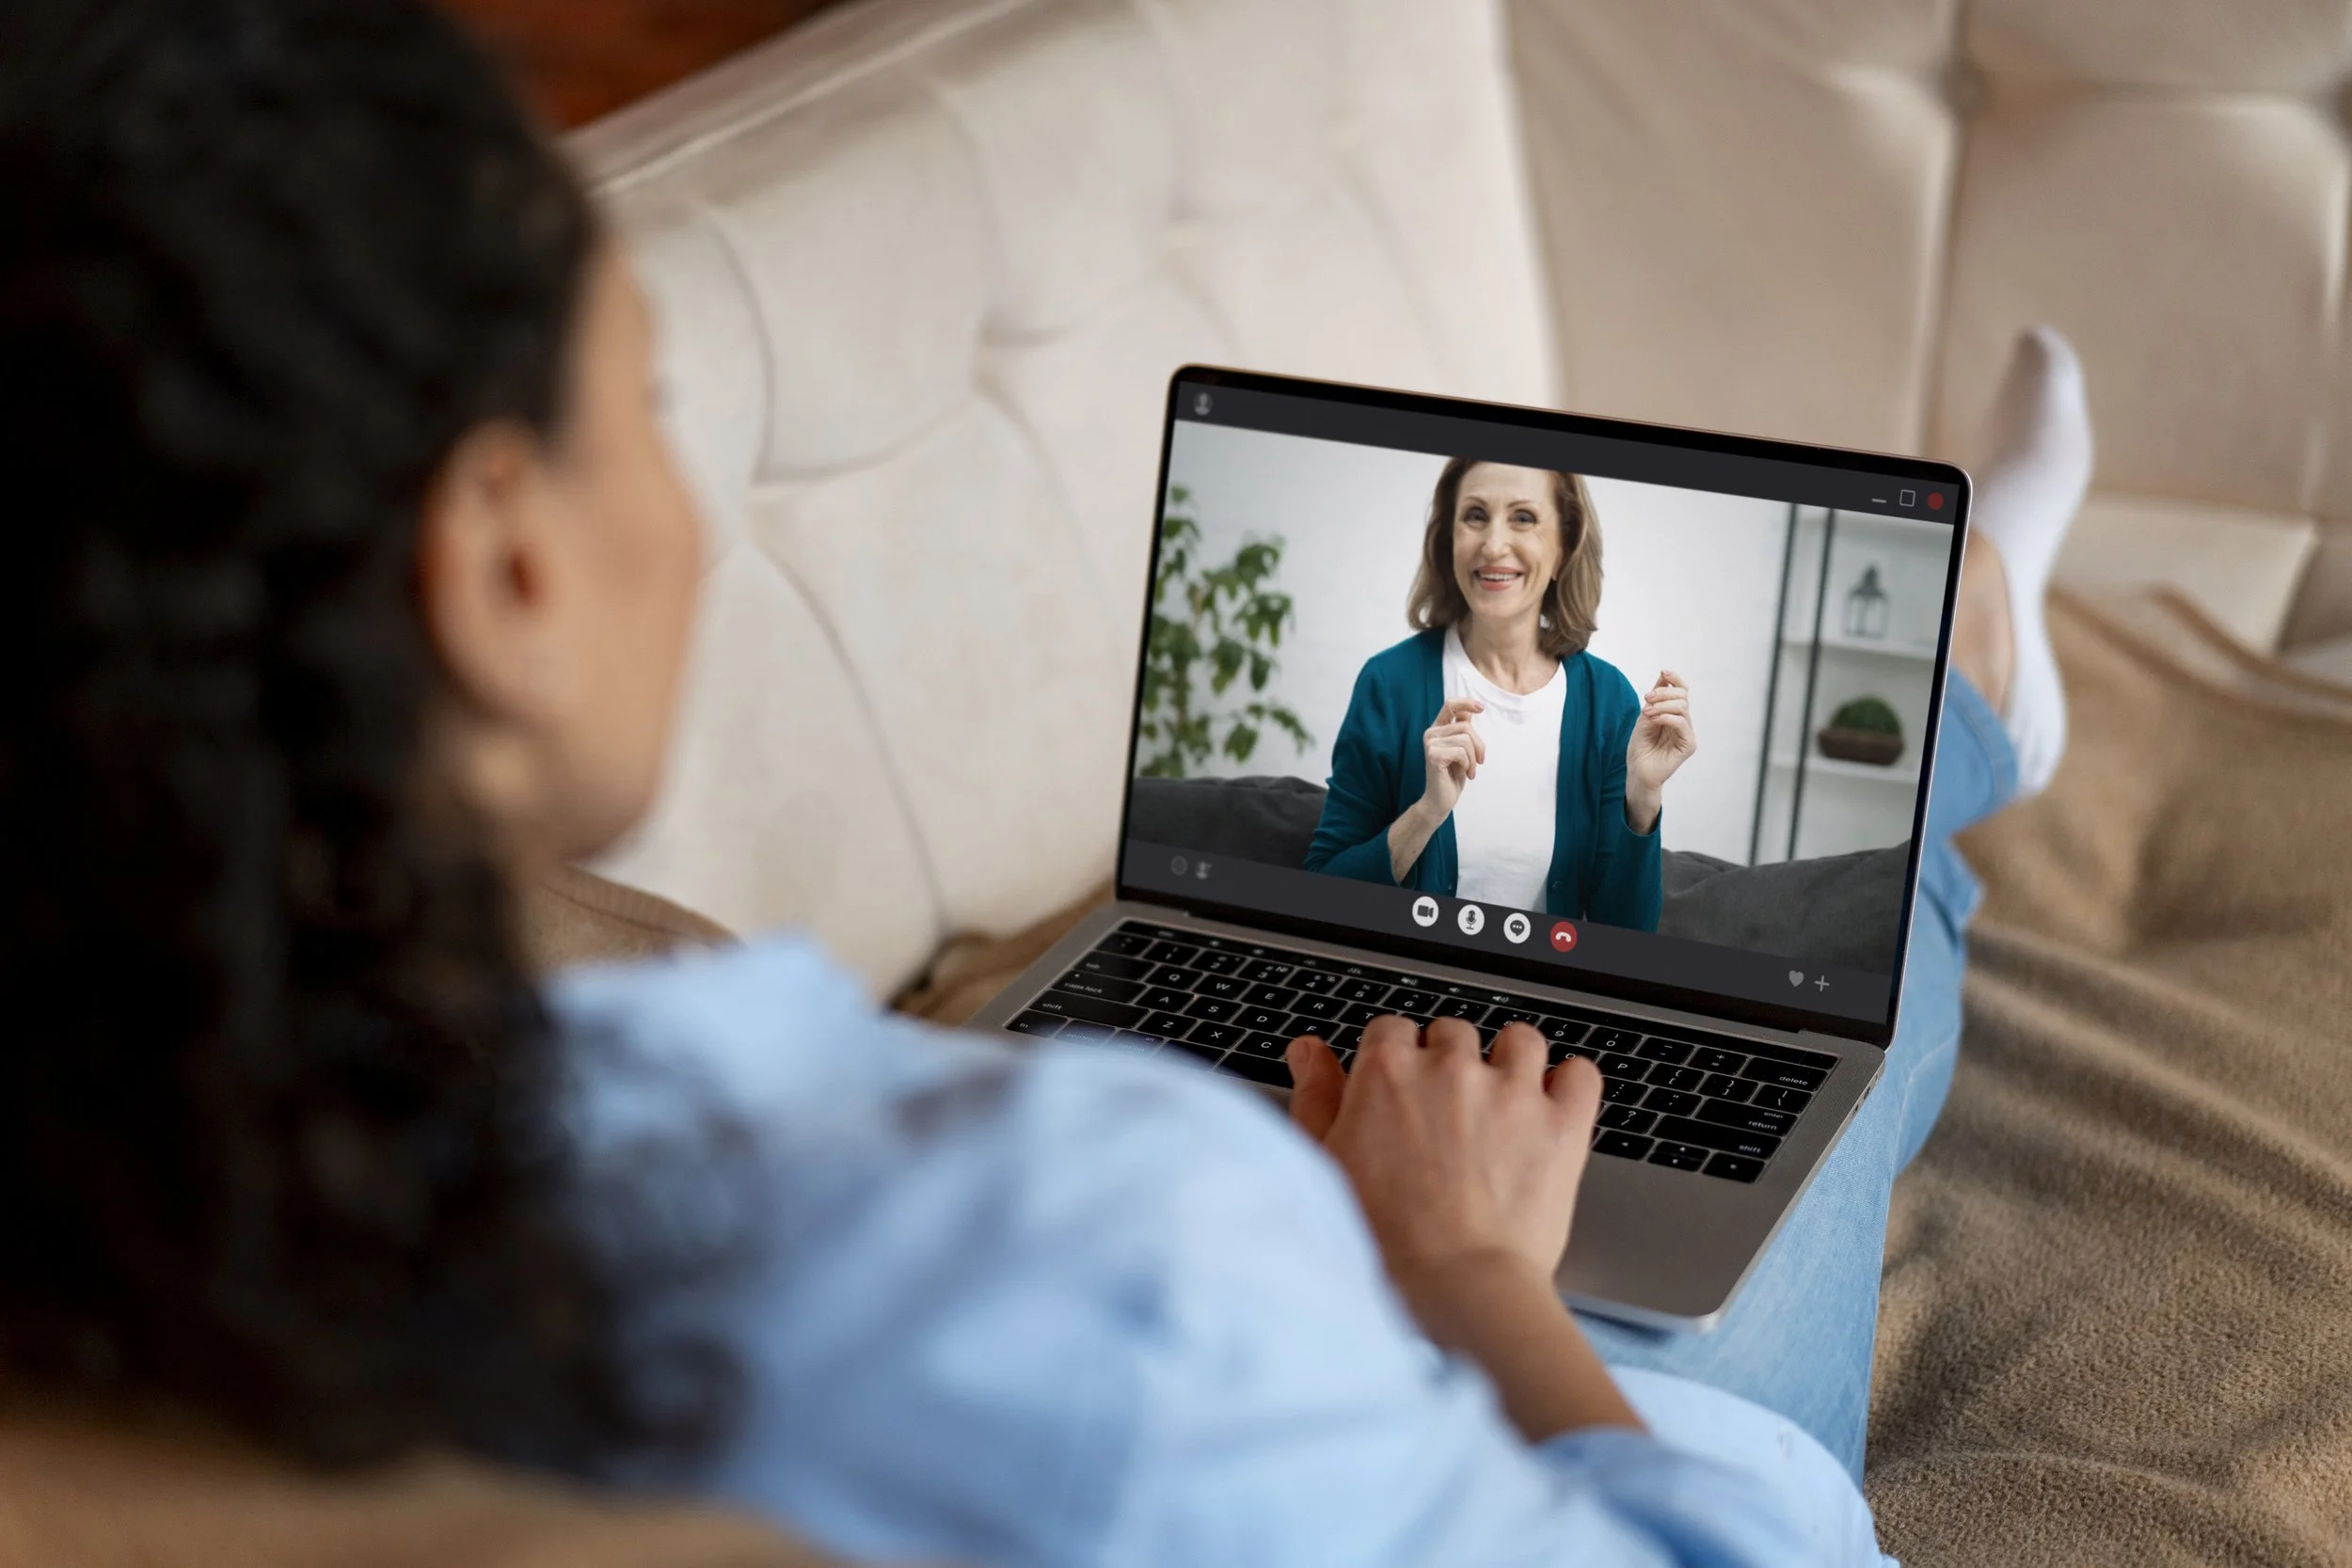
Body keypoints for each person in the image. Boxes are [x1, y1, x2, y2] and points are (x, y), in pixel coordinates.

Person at [0, 2, 2091, 1564]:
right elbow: (1355, 864)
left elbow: (1638, 864)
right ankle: (1975, 668)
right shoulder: (1118, 1246)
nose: (1497, 555)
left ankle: (1976, 656)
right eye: (627, 397)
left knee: (1722, 938)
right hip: (1376, 1325)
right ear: (503, 565)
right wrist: (1463, 1276)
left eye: (1527, 537)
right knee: (1818, 987)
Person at [1305, 460, 1692, 931]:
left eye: (1523, 518)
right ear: (1449, 538)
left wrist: (1644, 796)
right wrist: (1427, 812)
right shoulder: (1390, 682)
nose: (1493, 545)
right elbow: (1323, 891)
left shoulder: (1608, 701)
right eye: (1475, 515)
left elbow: (1626, 935)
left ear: (1564, 549)